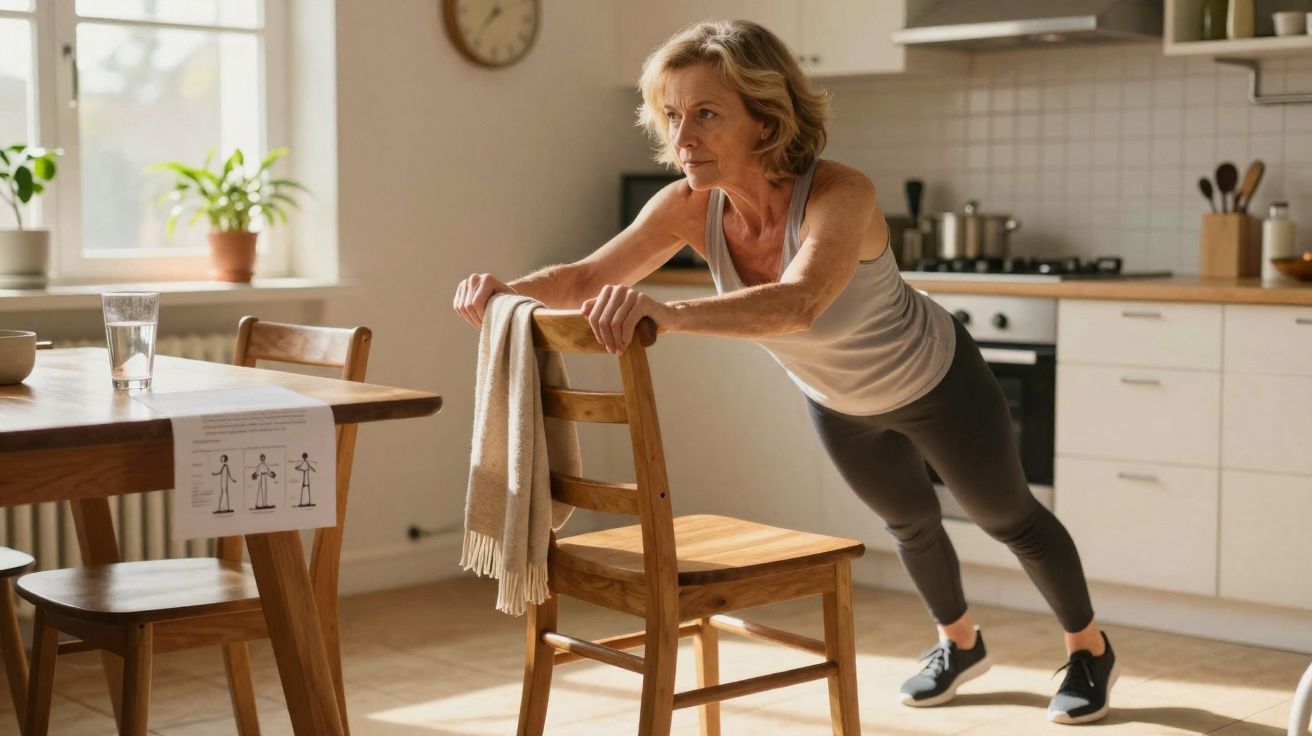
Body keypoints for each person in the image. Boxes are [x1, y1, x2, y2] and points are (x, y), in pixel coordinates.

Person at [453, 19, 1116, 725]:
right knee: (910, 522)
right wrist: (504, 293)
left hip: (938, 382)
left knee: (1006, 518)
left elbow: (799, 303)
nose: (682, 137)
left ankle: (1088, 649)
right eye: (672, 116)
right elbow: (587, 277)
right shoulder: (687, 207)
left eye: (706, 114)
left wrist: (670, 314)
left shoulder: (841, 192)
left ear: (766, 119)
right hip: (837, 402)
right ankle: (959, 644)